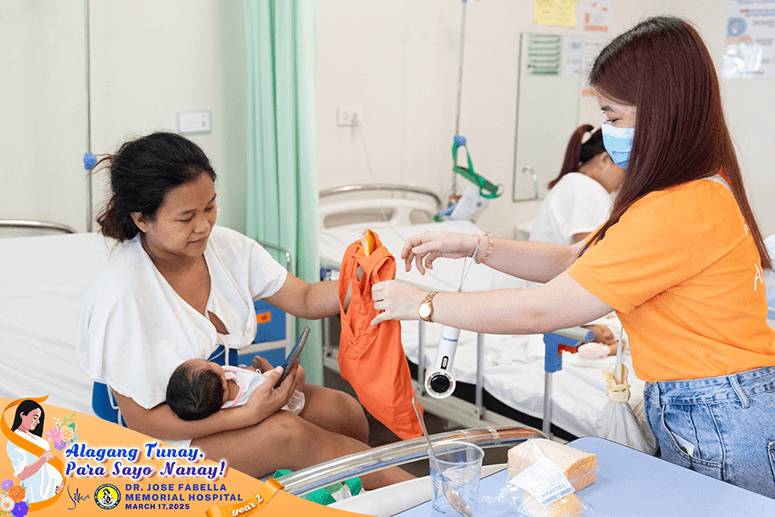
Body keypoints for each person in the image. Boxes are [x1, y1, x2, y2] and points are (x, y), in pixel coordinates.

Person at [370, 17, 775, 497]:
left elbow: (544, 309)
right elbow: (573, 258)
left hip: (718, 414)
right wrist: (476, 246)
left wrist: (423, 304)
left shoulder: (673, 210)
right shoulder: (702, 187)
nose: (606, 132)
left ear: (662, 113)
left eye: (614, 117)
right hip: (727, 402)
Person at [79, 132, 411, 488]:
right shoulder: (122, 293)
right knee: (286, 433)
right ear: (142, 220)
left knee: (342, 410)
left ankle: (354, 500)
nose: (204, 225)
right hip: (153, 442)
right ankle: (423, 496)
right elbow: (142, 421)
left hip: (225, 404)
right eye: (186, 218)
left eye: (209, 207)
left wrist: (367, 284)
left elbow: (305, 297)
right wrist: (251, 414)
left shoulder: (225, 247)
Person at [530, 125, 624, 245]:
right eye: (626, 169)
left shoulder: (575, 183)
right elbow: (590, 251)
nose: (625, 179)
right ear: (604, 160)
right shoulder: (587, 188)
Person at [166, 357, 305, 421]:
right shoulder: (245, 396)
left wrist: (251, 371)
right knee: (298, 372)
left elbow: (239, 374)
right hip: (280, 400)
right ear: (224, 384)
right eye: (208, 364)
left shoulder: (219, 384)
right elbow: (270, 396)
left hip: (262, 380)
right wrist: (271, 375)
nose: (211, 362)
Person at [5, 400, 63, 503]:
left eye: (39, 418)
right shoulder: (16, 439)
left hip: (53, 491)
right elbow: (21, 474)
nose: (38, 422)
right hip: (37, 495)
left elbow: (50, 466)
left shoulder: (39, 440)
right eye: (35, 417)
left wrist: (61, 482)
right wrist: (44, 458)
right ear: (22, 415)